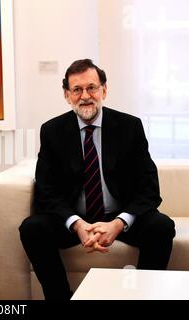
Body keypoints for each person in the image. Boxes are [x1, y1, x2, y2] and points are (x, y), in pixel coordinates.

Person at [19, 59, 176, 300]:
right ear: (67, 95)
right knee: (32, 228)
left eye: (92, 87)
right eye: (77, 90)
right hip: (74, 219)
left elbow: (149, 188)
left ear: (104, 89)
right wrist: (77, 224)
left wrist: (118, 223)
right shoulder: (52, 131)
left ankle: (144, 296)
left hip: (118, 215)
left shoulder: (129, 126)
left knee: (161, 226)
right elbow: (46, 191)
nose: (85, 96)